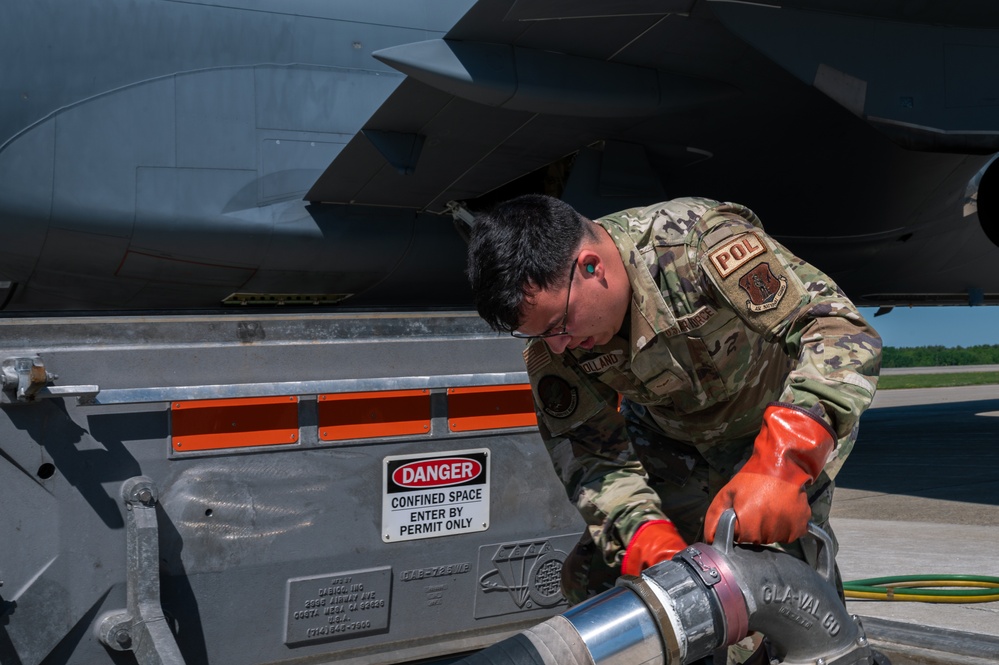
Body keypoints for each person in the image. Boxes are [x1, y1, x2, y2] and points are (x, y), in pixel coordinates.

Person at [466, 194, 881, 613]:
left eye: (560, 324)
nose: (559, 344)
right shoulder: (555, 343)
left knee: (777, 600)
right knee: (595, 583)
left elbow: (836, 330)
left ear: (591, 266)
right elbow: (585, 447)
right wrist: (642, 529)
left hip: (772, 432)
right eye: (542, 335)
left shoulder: (696, 243)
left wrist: (784, 461)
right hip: (669, 444)